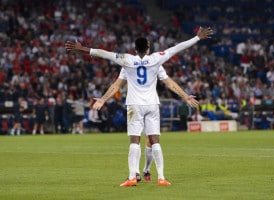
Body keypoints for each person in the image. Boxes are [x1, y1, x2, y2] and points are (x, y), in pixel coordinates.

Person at [65, 26, 213, 186]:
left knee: (134, 141)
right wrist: (197, 38)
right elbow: (176, 49)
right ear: (148, 48)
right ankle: (161, 177)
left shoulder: (126, 60)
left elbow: (104, 55)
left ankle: (132, 178)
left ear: (135, 49)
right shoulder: (157, 59)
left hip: (134, 105)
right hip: (152, 104)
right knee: (155, 140)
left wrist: (83, 50)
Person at [91, 66, 200, 183]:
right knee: (143, 140)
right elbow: (169, 83)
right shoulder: (152, 61)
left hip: (140, 105)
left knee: (146, 140)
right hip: (143, 104)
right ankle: (139, 174)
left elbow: (116, 85)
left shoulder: (131, 62)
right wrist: (184, 96)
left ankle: (145, 170)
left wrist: (103, 99)